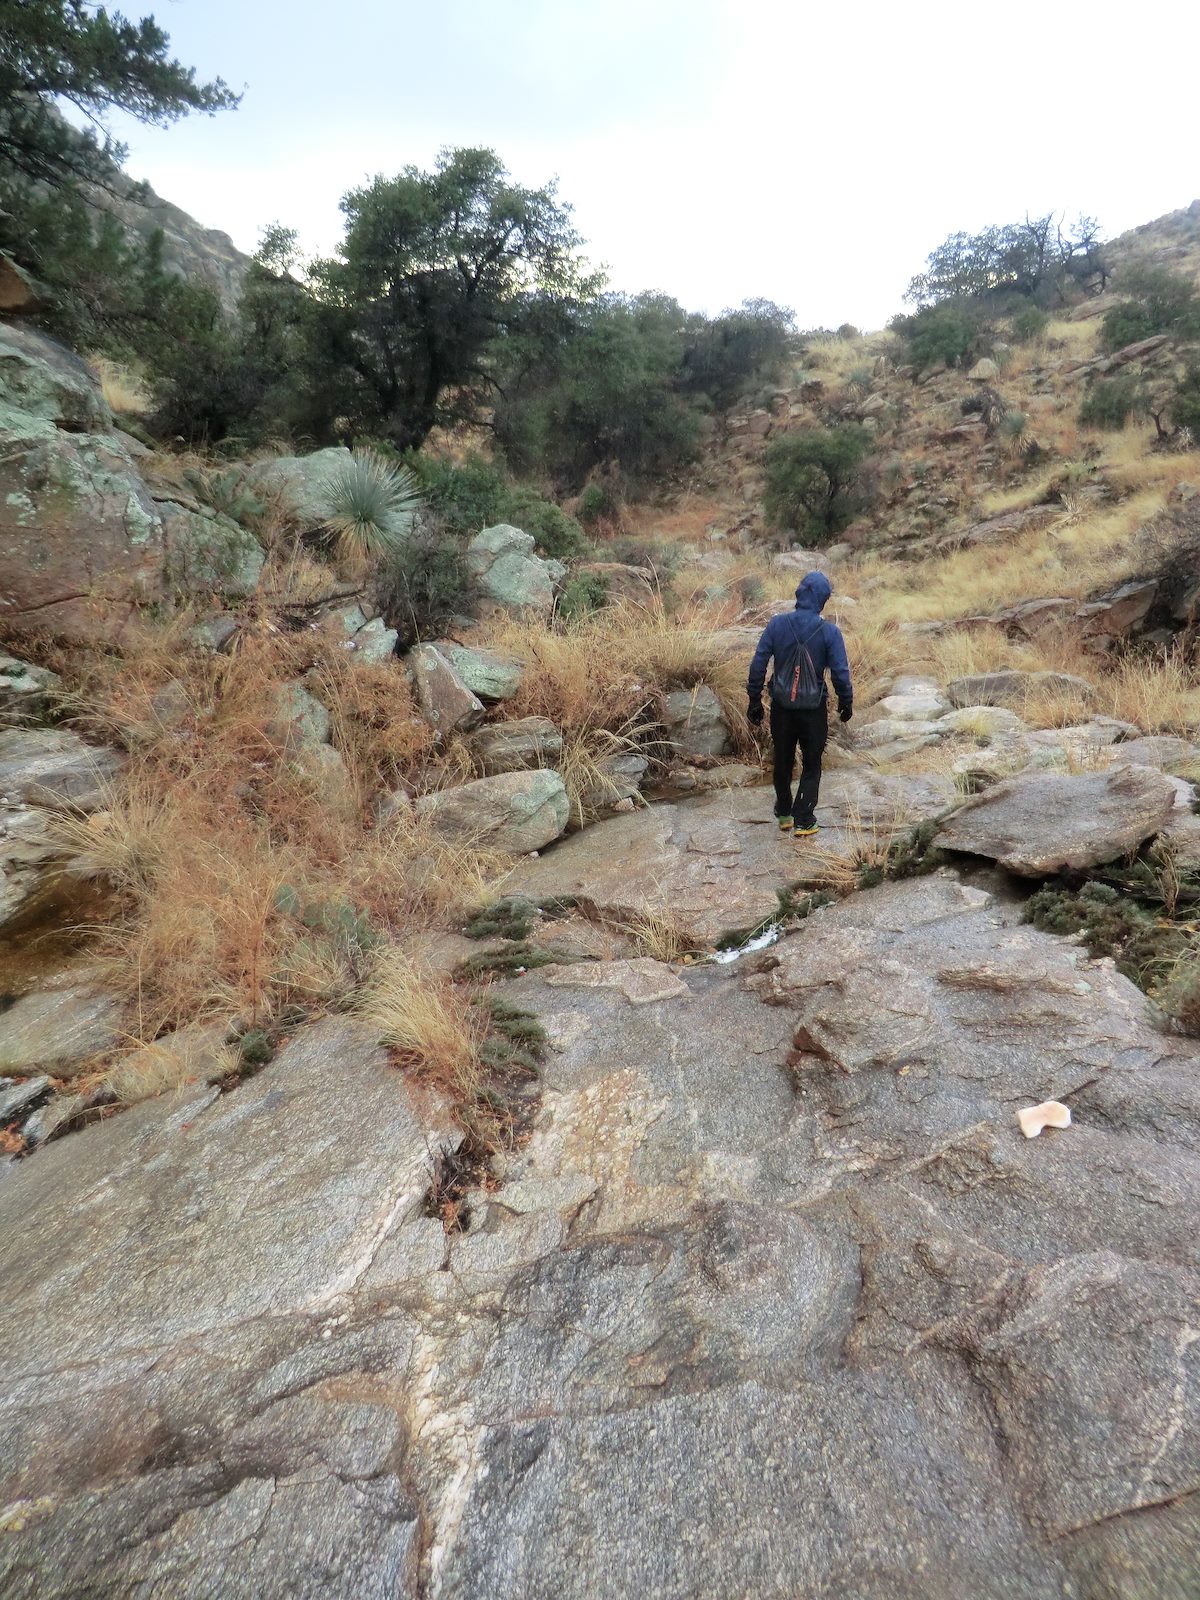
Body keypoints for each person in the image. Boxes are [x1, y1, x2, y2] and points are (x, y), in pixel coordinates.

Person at [745, 570, 853, 837]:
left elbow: (758, 664)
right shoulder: (830, 632)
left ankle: (784, 813)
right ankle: (804, 819)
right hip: (813, 710)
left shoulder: (776, 625)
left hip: (782, 707)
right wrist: (846, 702)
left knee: (782, 760)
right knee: (812, 762)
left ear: (799, 594)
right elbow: (840, 673)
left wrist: (754, 699)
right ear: (822, 600)